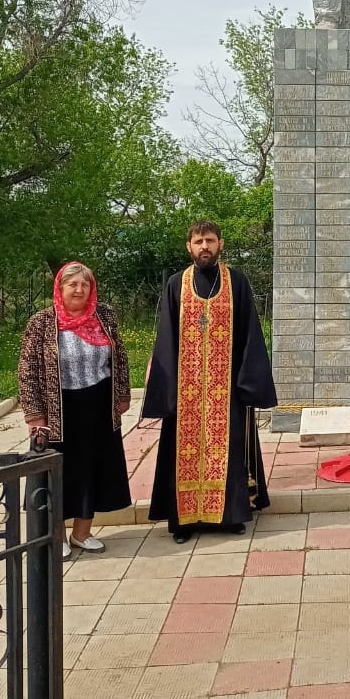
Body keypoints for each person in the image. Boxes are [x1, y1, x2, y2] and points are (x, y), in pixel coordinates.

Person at [142, 221, 276, 543]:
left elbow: (250, 333)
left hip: (226, 387)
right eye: (199, 241)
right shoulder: (176, 284)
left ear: (220, 244)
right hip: (186, 390)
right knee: (183, 453)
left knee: (230, 450)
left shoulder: (236, 282)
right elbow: (166, 336)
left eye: (210, 241)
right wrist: (165, 384)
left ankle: (231, 515)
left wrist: (248, 382)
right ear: (189, 246)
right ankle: (184, 522)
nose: (205, 246)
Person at [18, 262, 132, 560]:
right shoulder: (42, 322)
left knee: (93, 467)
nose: (79, 290)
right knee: (59, 472)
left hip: (98, 404)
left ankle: (82, 533)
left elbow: (119, 357)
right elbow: (28, 370)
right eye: (73, 284)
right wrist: (35, 415)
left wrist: (122, 394)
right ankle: (56, 536)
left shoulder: (104, 315)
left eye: (85, 284)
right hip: (58, 409)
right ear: (60, 288)